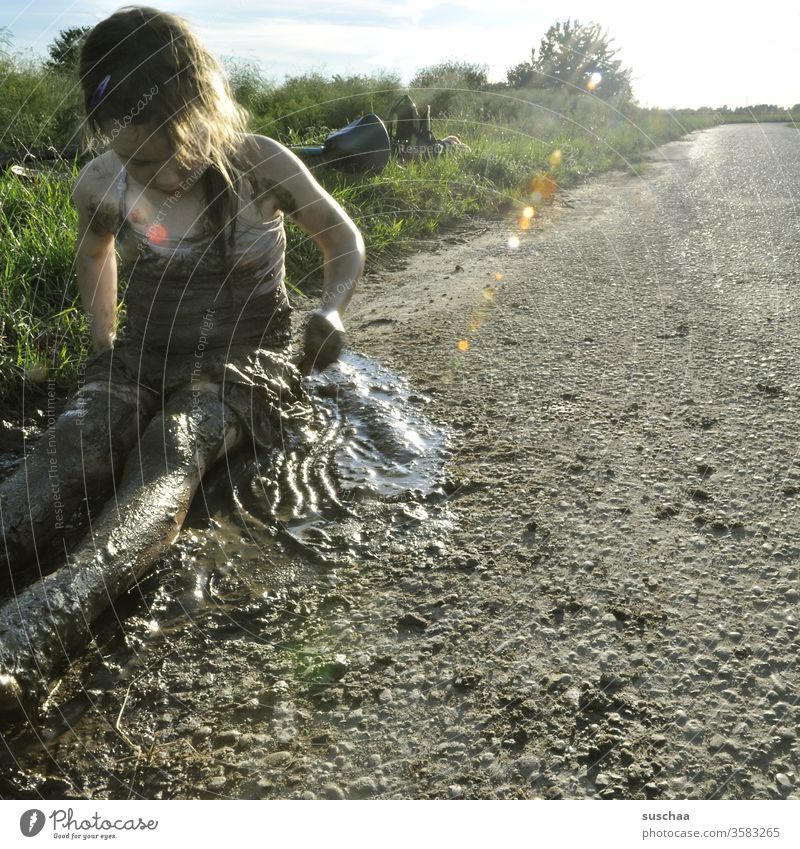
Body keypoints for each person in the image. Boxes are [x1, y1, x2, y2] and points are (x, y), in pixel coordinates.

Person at [0, 5, 364, 714]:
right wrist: (102, 351)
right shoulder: (100, 181)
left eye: (172, 153)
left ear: (202, 111)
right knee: (73, 441)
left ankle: (28, 637)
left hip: (244, 361)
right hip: (143, 353)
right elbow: (97, 254)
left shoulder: (261, 163)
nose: (160, 177)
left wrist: (331, 308)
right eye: (140, 161)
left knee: (175, 446)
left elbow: (342, 238)